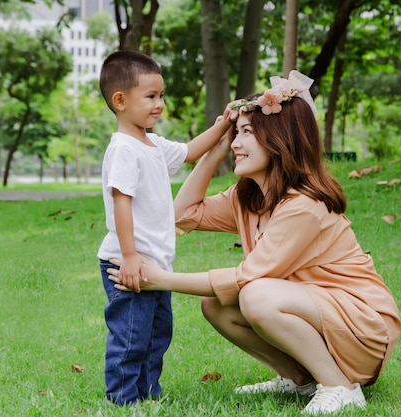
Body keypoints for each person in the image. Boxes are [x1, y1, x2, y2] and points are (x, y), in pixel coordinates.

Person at [107, 71, 401, 414]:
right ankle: (299, 379)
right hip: (318, 315)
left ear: (279, 140)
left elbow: (248, 277)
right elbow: (181, 214)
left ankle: (340, 386)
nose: (235, 142)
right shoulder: (249, 198)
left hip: (362, 328)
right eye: (236, 133)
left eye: (246, 133)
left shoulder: (304, 206)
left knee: (256, 295)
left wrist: (162, 280)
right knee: (215, 306)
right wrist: (215, 148)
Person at [97, 50, 233, 405]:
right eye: (151, 96)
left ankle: (148, 392)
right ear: (120, 100)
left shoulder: (153, 144)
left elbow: (190, 151)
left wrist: (222, 126)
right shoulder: (124, 149)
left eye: (161, 95)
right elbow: (121, 203)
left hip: (155, 263)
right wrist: (128, 256)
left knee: (158, 333)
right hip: (127, 264)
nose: (160, 104)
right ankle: (123, 398)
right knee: (131, 335)